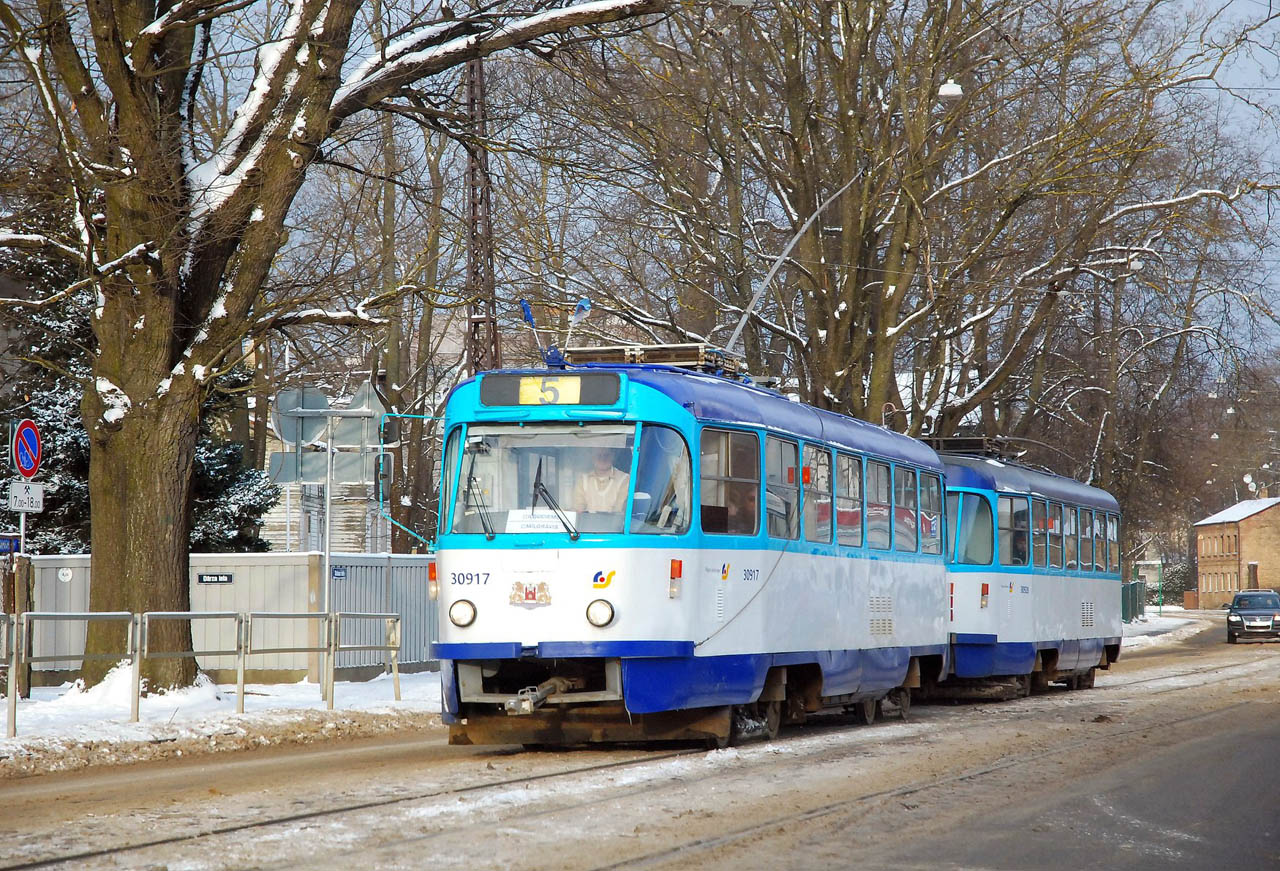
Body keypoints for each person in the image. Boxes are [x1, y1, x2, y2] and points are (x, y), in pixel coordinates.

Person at [573, 447, 629, 513]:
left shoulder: (624, 479)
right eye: (598, 455)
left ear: (613, 456)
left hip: (614, 523)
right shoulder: (583, 480)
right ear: (592, 457)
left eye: (606, 455)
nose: (602, 459)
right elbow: (578, 510)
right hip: (587, 522)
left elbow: (619, 511)